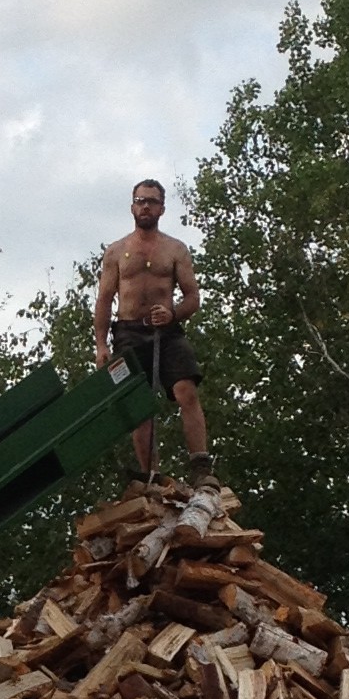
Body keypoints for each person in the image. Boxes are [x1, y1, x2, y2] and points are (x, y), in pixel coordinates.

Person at [93, 176, 211, 482]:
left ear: (162, 208)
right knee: (138, 406)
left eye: (152, 202)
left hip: (166, 333)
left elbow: (193, 297)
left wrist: (172, 314)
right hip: (129, 333)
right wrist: (101, 345)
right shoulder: (116, 252)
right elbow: (105, 300)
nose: (145, 206)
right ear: (133, 206)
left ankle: (200, 466)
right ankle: (150, 475)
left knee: (186, 390)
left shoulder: (175, 249)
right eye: (140, 201)